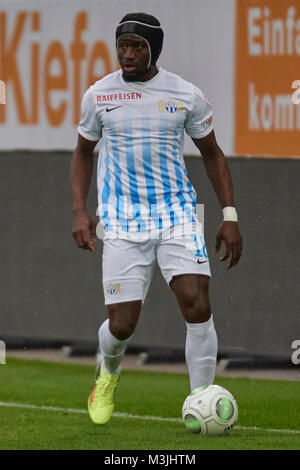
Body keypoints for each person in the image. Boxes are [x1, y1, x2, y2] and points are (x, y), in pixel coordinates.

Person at [70, 12, 242, 425]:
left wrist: (230, 214)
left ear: (154, 50)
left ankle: (201, 400)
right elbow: (81, 153)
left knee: (197, 305)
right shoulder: (99, 95)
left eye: (137, 47)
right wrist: (80, 211)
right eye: (123, 46)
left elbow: (213, 153)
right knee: (123, 324)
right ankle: (107, 372)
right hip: (123, 221)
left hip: (177, 216)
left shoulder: (185, 94)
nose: (128, 55)